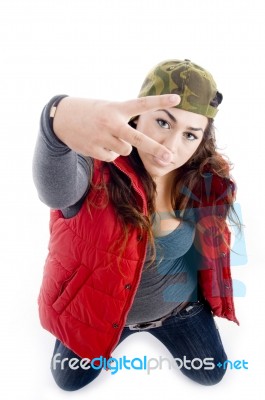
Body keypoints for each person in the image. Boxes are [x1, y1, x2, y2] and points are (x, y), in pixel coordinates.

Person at [33, 59, 240, 391]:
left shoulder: (203, 178)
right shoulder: (97, 165)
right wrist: (55, 119)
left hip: (180, 310)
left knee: (211, 374)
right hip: (100, 314)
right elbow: (55, 192)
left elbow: (209, 250)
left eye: (189, 134)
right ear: (137, 115)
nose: (169, 148)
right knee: (67, 381)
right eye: (162, 122)